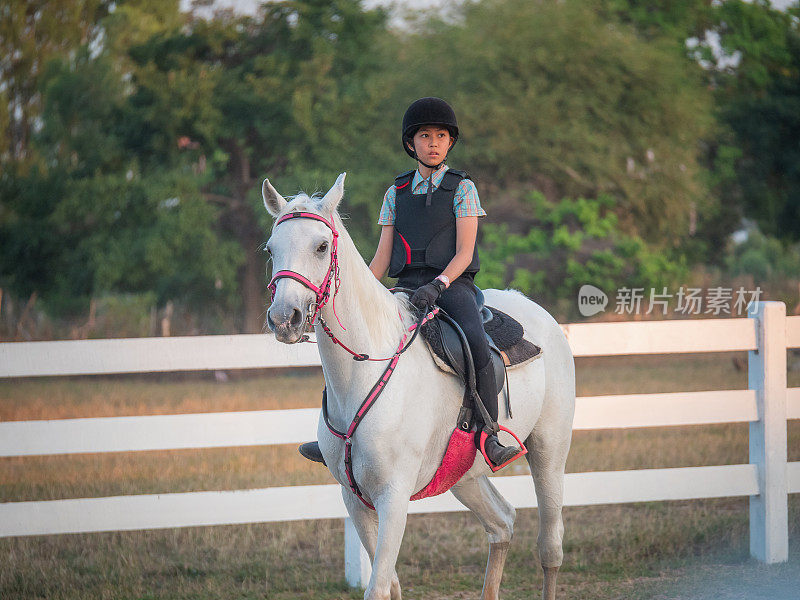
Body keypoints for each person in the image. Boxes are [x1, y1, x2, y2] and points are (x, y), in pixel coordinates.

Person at [299, 97, 520, 468]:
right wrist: (351, 297)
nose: (433, 142)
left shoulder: (463, 188)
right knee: (350, 336)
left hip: (452, 286)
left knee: (475, 340)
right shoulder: (395, 192)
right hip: (404, 288)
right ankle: (334, 432)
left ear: (450, 142)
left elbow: (465, 252)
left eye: (440, 136)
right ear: (410, 142)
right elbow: (383, 260)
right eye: (424, 135)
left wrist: (440, 284)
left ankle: (489, 431)